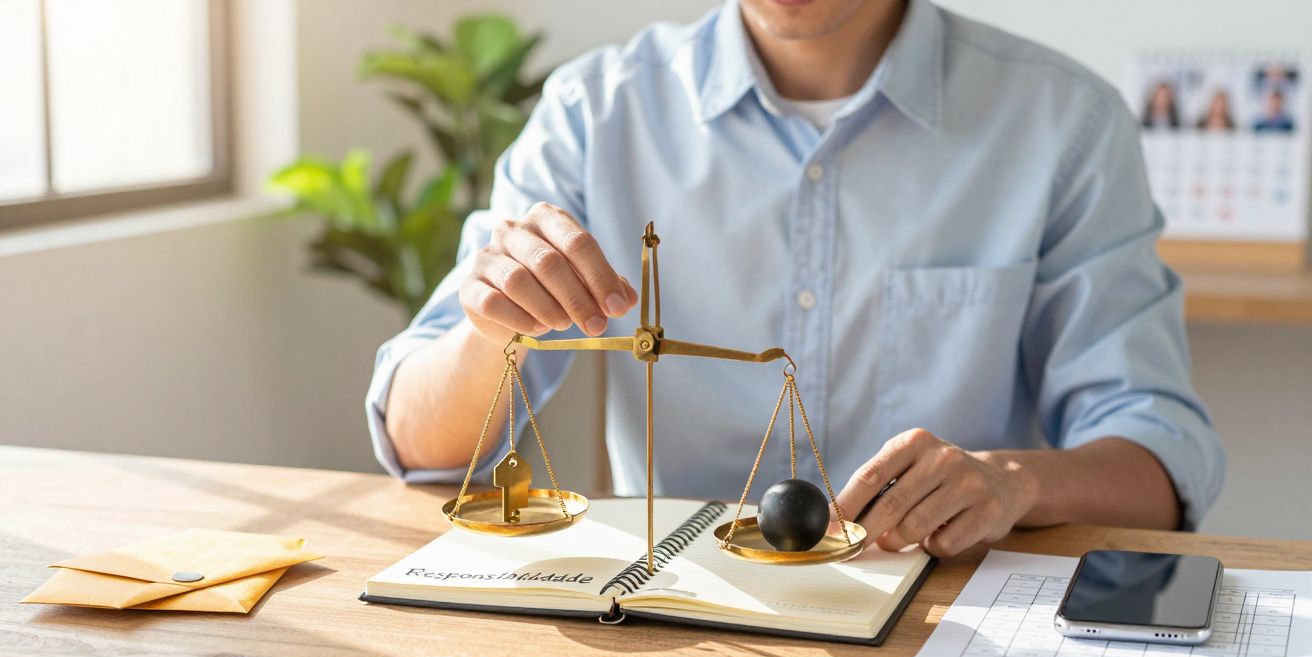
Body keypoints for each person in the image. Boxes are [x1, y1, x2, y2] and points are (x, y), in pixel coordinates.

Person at [368, 0, 1225, 557]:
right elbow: (416, 444)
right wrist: (491, 331)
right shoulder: (596, 112)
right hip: (684, 616)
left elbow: (1160, 456)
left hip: (946, 623)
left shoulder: (1062, 122)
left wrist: (1018, 479)